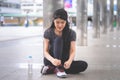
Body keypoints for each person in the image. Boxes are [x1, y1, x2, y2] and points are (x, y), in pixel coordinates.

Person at [41, 8, 88, 78]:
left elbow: (72, 50)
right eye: (57, 22)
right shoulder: (48, 32)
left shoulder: (71, 33)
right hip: (51, 60)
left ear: (66, 22)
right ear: (53, 21)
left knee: (83, 65)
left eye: (62, 22)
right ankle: (59, 69)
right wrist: (53, 60)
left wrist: (69, 61)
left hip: (65, 61)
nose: (60, 25)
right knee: (58, 40)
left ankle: (52, 69)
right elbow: (45, 51)